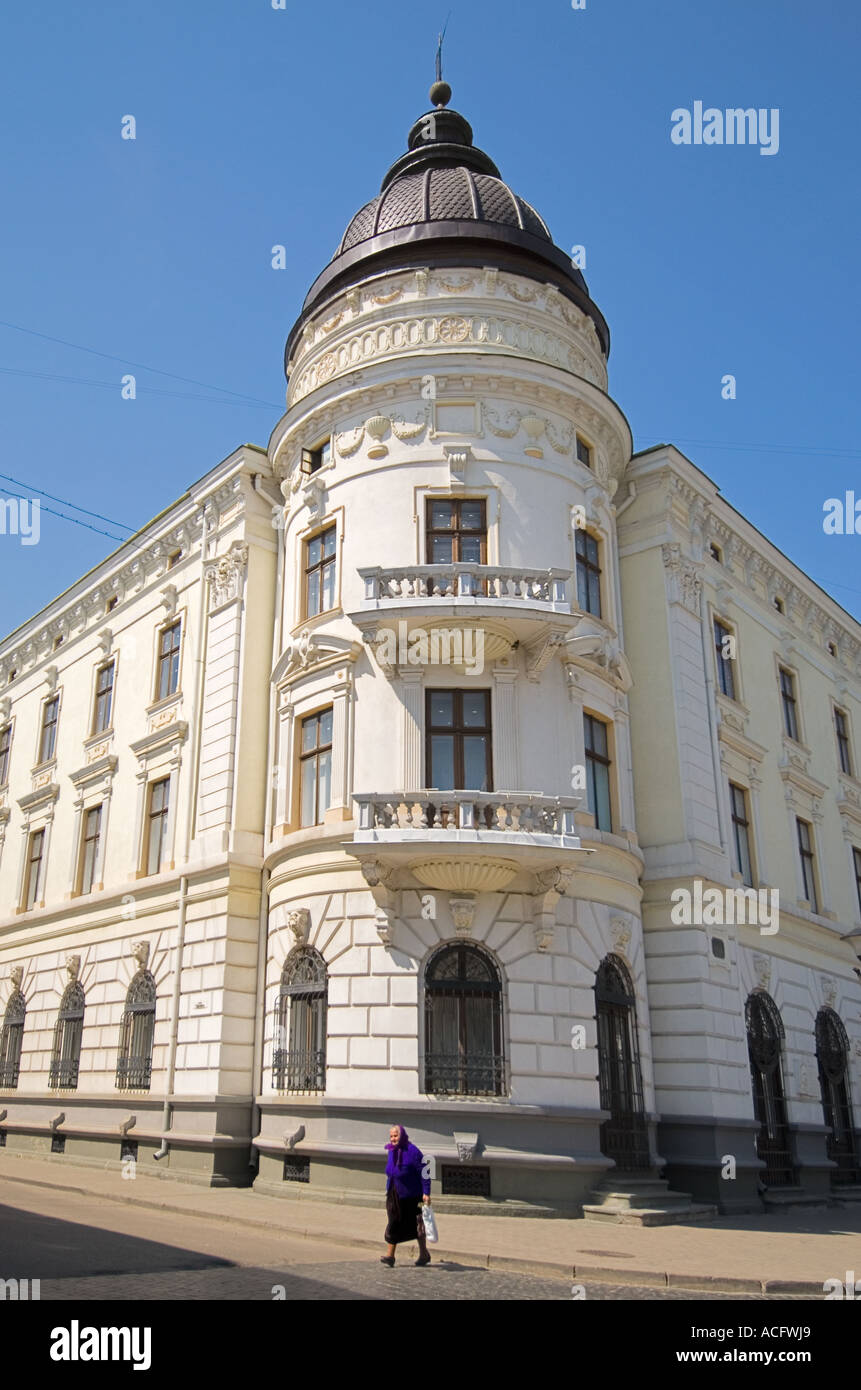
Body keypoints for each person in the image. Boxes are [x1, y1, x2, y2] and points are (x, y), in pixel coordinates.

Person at [380, 1123, 432, 1267]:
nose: (393, 1139)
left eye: (395, 1136)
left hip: (414, 1196)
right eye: (391, 1136)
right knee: (393, 1221)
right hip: (395, 1193)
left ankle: (424, 1254)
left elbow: (425, 1172)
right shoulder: (391, 1150)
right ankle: (390, 1256)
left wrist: (426, 1193)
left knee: (418, 1224)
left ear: (402, 1135)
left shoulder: (413, 1151)